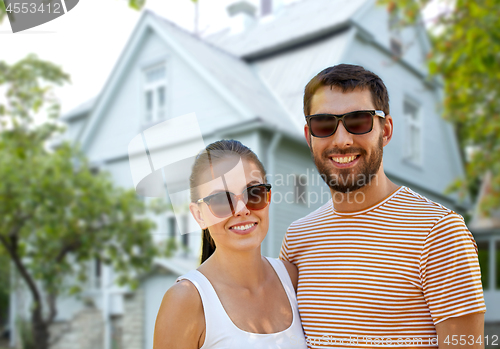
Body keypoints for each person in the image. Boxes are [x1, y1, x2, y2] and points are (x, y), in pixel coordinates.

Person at [279, 64, 486, 348]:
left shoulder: (439, 232)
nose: (342, 139)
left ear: (385, 130)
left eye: (359, 121)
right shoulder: (297, 239)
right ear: (309, 137)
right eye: (324, 124)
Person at [154, 140, 308, 349]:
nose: (242, 209)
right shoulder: (186, 300)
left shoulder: (294, 280)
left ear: (268, 197)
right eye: (221, 200)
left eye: (254, 193)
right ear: (199, 215)